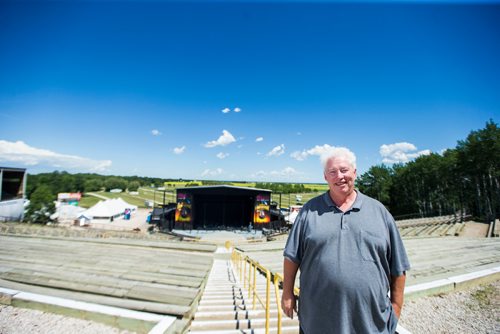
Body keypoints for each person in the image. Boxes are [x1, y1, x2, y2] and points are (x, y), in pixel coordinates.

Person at [281, 147, 410, 334]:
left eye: (344, 170)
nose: (339, 176)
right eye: (332, 172)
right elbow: (292, 257)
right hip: (317, 322)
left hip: (371, 324)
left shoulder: (379, 212)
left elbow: (398, 267)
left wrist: (396, 308)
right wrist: (287, 293)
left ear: (355, 173)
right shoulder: (309, 211)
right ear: (325, 177)